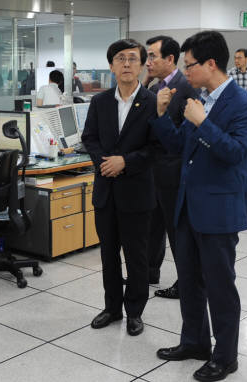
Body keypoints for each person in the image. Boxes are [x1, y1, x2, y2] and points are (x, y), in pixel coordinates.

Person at [152, 30, 247, 381]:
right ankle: (194, 342)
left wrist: (203, 122)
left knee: (219, 284)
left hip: (219, 211)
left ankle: (225, 355)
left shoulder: (245, 104)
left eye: (190, 66)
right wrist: (161, 115)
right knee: (191, 280)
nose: (185, 73)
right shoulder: (198, 99)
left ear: (210, 64)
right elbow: (178, 146)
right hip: (188, 207)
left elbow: (236, 153)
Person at [81, 39, 158, 337]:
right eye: (120, 59)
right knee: (108, 255)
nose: (126, 64)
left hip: (137, 192)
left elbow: (156, 148)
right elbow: (90, 137)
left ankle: (135, 312)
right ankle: (111, 307)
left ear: (141, 65)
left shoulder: (153, 103)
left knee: (137, 257)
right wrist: (105, 162)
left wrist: (125, 161)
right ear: (111, 65)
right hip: (105, 191)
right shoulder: (100, 102)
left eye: (132, 59)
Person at [143, 35, 197, 300]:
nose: (147, 61)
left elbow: (182, 135)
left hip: (173, 171)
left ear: (170, 59)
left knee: (176, 230)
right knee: (152, 225)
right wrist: (144, 84)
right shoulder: (155, 88)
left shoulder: (184, 87)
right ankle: (150, 271)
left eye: (152, 56)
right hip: (153, 169)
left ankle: (184, 280)